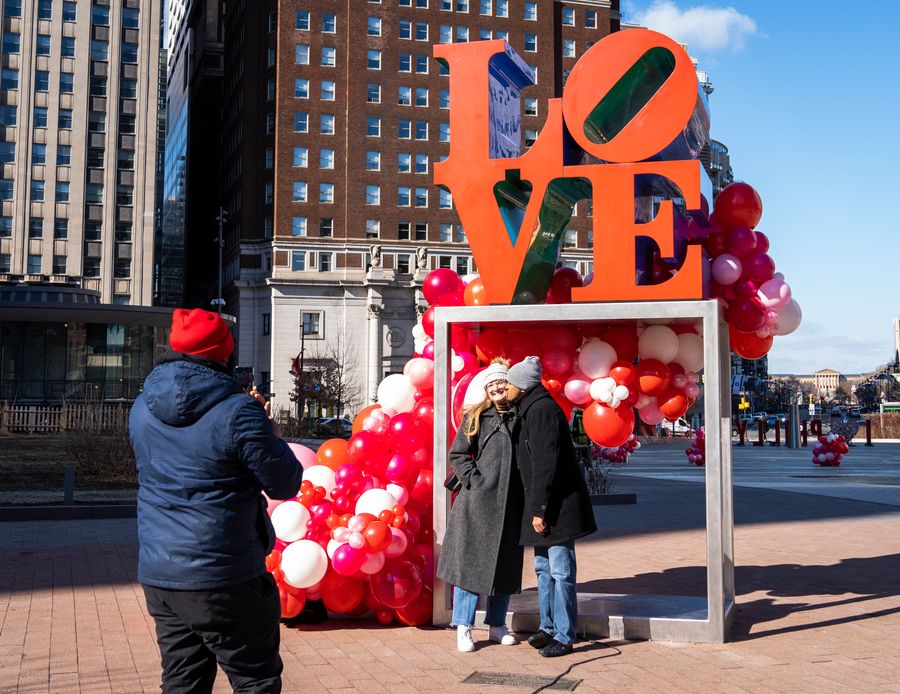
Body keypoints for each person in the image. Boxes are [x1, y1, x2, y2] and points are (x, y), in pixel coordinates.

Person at [129, 308, 302, 693]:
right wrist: (269, 431)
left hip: (162, 573)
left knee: (182, 682)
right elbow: (285, 483)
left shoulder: (141, 407)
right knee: (255, 679)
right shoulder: (239, 412)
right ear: (224, 353)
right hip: (226, 574)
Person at [506, 356, 597, 658]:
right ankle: (547, 627)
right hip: (545, 504)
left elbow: (546, 463)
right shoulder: (530, 409)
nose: (504, 387)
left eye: (508, 382)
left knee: (560, 571)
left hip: (556, 507)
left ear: (521, 385)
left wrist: (539, 510)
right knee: (543, 568)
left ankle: (564, 634)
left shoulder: (541, 411)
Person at [437, 359, 525, 652]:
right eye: (492, 384)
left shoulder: (520, 416)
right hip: (477, 505)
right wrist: (475, 480)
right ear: (486, 389)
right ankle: (463, 626)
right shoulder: (476, 416)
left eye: (501, 382)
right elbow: (459, 453)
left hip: (510, 504)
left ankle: (497, 625)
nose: (498, 387)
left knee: (505, 567)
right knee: (470, 568)